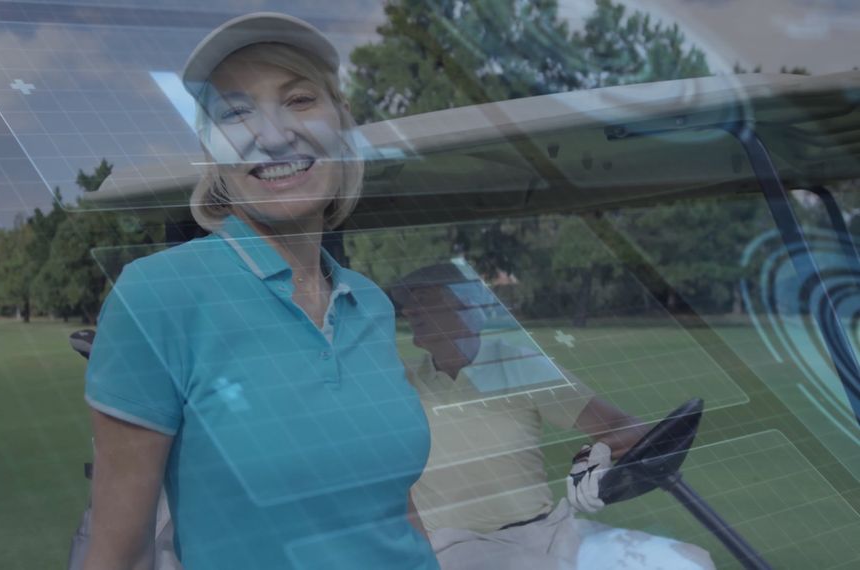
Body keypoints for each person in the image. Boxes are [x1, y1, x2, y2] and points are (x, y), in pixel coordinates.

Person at [82, 13, 440, 570]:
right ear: (212, 152)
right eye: (236, 112)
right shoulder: (156, 296)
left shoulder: (368, 300)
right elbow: (117, 557)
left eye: (299, 100)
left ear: (342, 125)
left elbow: (391, 506)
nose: (273, 136)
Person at [388, 261, 716, 570]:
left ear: (465, 307)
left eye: (423, 299)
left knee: (687, 562)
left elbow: (626, 428)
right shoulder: (402, 384)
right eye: (407, 302)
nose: (409, 310)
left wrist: (595, 454)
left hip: (549, 532)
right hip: (456, 545)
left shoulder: (520, 365)